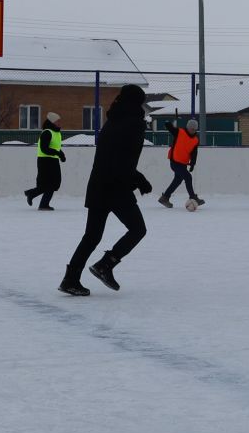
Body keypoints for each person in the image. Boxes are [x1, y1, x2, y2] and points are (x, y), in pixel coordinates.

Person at [60, 84, 153, 296]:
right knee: (138, 229)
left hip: (99, 185)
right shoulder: (135, 124)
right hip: (116, 187)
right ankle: (105, 265)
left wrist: (135, 178)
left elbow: (110, 156)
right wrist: (139, 180)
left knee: (91, 236)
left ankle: (70, 279)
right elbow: (124, 160)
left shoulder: (112, 120)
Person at [158, 117, 204, 208]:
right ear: (187, 127)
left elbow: (194, 152)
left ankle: (165, 197)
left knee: (177, 180)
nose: (193, 131)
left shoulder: (195, 139)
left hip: (183, 163)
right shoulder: (179, 132)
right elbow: (171, 129)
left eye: (195, 129)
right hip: (174, 161)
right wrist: (168, 124)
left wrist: (192, 163)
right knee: (188, 177)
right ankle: (193, 197)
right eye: (191, 128)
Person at [25, 112, 65, 210]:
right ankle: (43, 204)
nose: (60, 122)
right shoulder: (47, 132)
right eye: (58, 121)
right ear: (52, 122)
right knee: (48, 184)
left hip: (53, 161)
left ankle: (31, 194)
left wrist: (61, 154)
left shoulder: (57, 133)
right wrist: (58, 153)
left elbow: (55, 147)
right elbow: (44, 148)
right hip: (45, 161)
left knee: (54, 183)